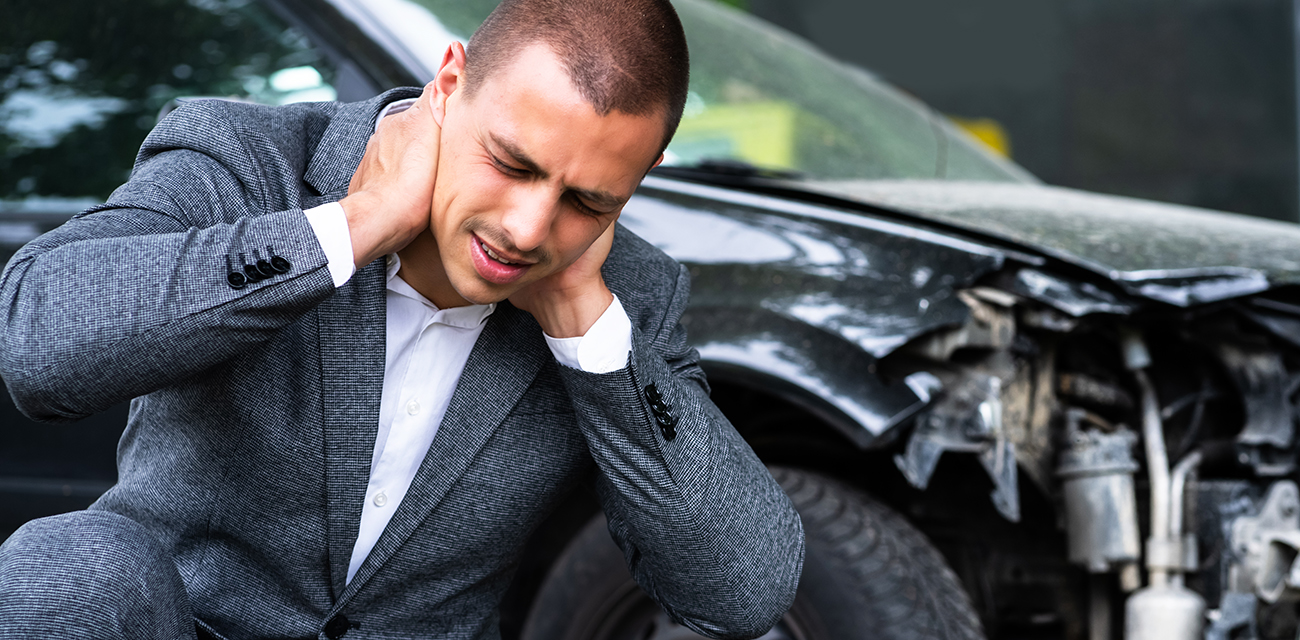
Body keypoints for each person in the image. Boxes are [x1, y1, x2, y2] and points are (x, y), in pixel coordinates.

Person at [0, 0, 804, 639]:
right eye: (512, 163)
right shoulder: (247, 160)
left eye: (588, 201)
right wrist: (355, 226)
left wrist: (580, 321)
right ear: (449, 84)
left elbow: (744, 591)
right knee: (74, 567)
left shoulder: (629, 293)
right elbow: (37, 339)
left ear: (641, 177)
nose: (527, 229)